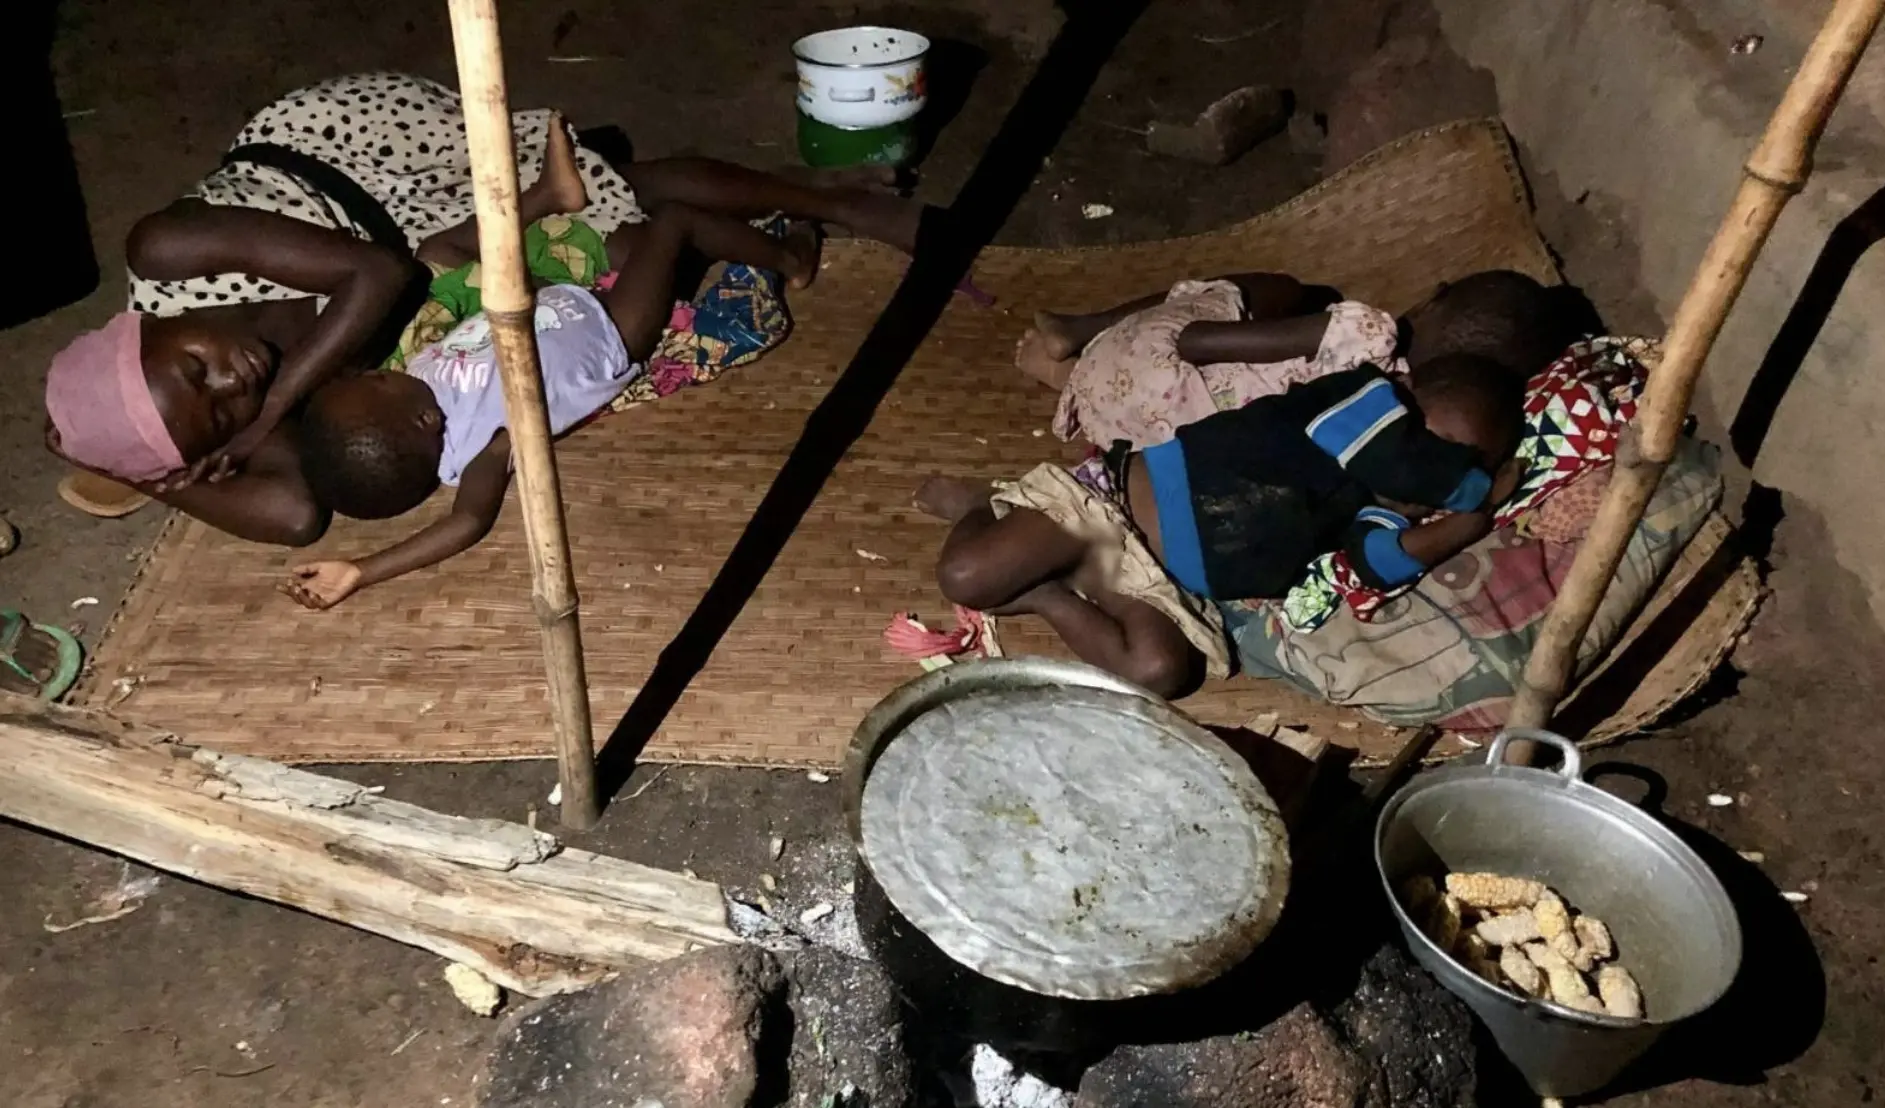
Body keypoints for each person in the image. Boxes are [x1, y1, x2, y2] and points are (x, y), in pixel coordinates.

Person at [42, 72, 920, 544]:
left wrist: (267, 410)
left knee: (608, 196)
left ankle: (835, 199)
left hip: (358, 168)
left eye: (197, 366)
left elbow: (374, 276)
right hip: (419, 252)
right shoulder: (231, 420)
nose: (235, 379)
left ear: (148, 328)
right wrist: (147, 479)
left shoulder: (165, 249)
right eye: (220, 409)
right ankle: (783, 220)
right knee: (618, 253)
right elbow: (298, 516)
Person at [277, 199, 817, 611]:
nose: (380, 372)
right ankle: (788, 256)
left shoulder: (414, 392)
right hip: (612, 332)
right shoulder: (481, 444)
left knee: (451, 254)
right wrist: (362, 571)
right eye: (378, 382)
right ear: (423, 421)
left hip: (551, 299)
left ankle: (558, 196)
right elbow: (466, 522)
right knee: (673, 224)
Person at [918, 354, 1526, 697]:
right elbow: (1396, 456)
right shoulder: (1356, 402)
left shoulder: (1377, 500)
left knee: (1158, 673)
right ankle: (978, 505)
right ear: (1408, 399)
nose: (1439, 469)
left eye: (1464, 462)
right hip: (1098, 516)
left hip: (1142, 582)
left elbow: (1376, 561)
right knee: (966, 577)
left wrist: (1471, 523)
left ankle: (1049, 592)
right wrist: (1468, 486)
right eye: (1439, 446)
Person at [1017, 268, 1575, 451]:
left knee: (1278, 290)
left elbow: (1194, 345)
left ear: (1432, 298)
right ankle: (1071, 380)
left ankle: (1083, 334)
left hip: (1141, 369)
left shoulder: (1367, 331)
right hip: (1142, 446)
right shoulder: (1393, 426)